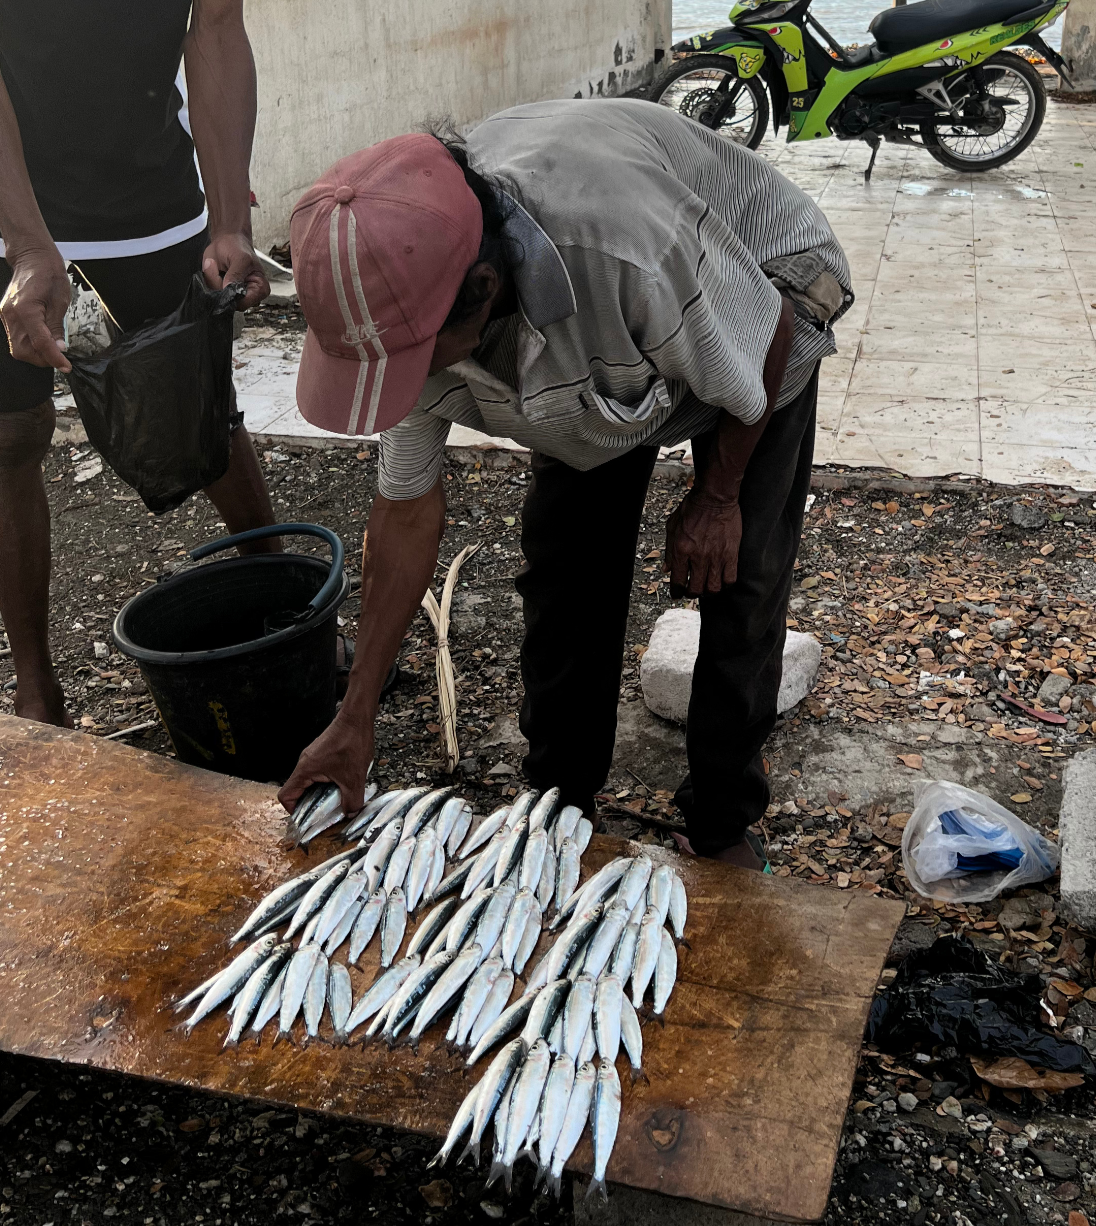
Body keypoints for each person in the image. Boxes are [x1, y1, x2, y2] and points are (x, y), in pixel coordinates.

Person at [280, 100, 850, 870]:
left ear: (483, 290)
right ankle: (558, 803)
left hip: (760, 292)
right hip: (612, 357)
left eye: (413, 361)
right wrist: (355, 717)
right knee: (566, 568)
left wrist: (715, 497)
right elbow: (405, 518)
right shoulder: (402, 282)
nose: (403, 388)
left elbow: (769, 331)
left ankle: (722, 821)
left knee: (740, 576)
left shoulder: (627, 248)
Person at [0, 0, 277, 727]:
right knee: (13, 434)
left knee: (198, 412)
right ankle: (35, 686)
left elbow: (213, 26)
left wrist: (229, 221)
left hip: (148, 193)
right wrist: (26, 243)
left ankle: (291, 604)